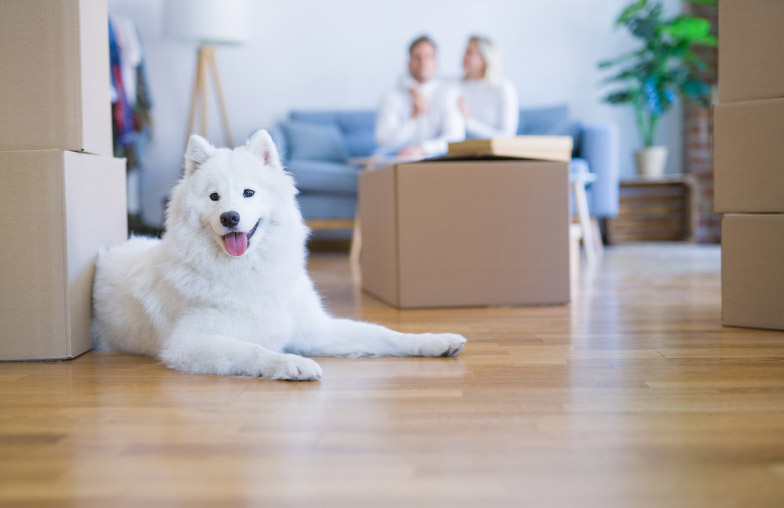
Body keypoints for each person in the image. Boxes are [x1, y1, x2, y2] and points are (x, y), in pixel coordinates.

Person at [376, 35, 465, 158]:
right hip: (398, 161)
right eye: (417, 57)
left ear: (436, 62)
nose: (423, 63)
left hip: (436, 160)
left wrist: (423, 149)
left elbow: (456, 138)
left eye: (428, 57)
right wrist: (414, 116)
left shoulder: (449, 93)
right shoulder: (392, 97)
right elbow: (385, 142)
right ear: (409, 63)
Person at [459, 36, 519, 139]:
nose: (464, 56)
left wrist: (469, 123)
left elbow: (507, 136)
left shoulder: (504, 89)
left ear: (485, 59)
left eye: (470, 53)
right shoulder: (457, 85)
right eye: (465, 51)